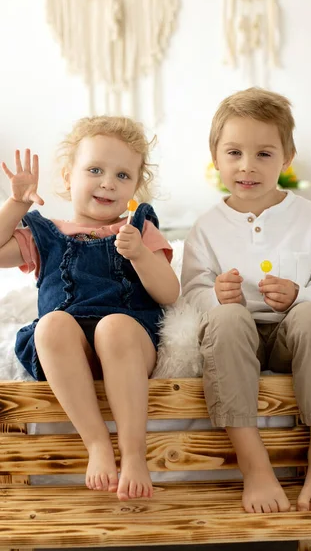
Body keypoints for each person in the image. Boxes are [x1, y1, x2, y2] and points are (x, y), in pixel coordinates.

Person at [181, 88, 311, 514]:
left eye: (264, 154)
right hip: (238, 339)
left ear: (287, 157)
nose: (247, 166)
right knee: (227, 319)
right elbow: (192, 293)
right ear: (215, 157)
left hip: (292, 336)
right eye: (234, 152)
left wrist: (299, 295)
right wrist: (215, 297)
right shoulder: (206, 227)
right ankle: (255, 466)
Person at [0, 116, 180, 501]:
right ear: (68, 177)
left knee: (114, 325)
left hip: (128, 343)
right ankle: (97, 443)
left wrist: (141, 256)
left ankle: (133, 453)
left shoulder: (138, 227)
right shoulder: (43, 232)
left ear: (135, 186)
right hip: (67, 353)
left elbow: (169, 293)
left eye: (122, 175)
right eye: (95, 169)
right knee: (50, 326)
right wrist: (15, 203)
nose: (107, 182)